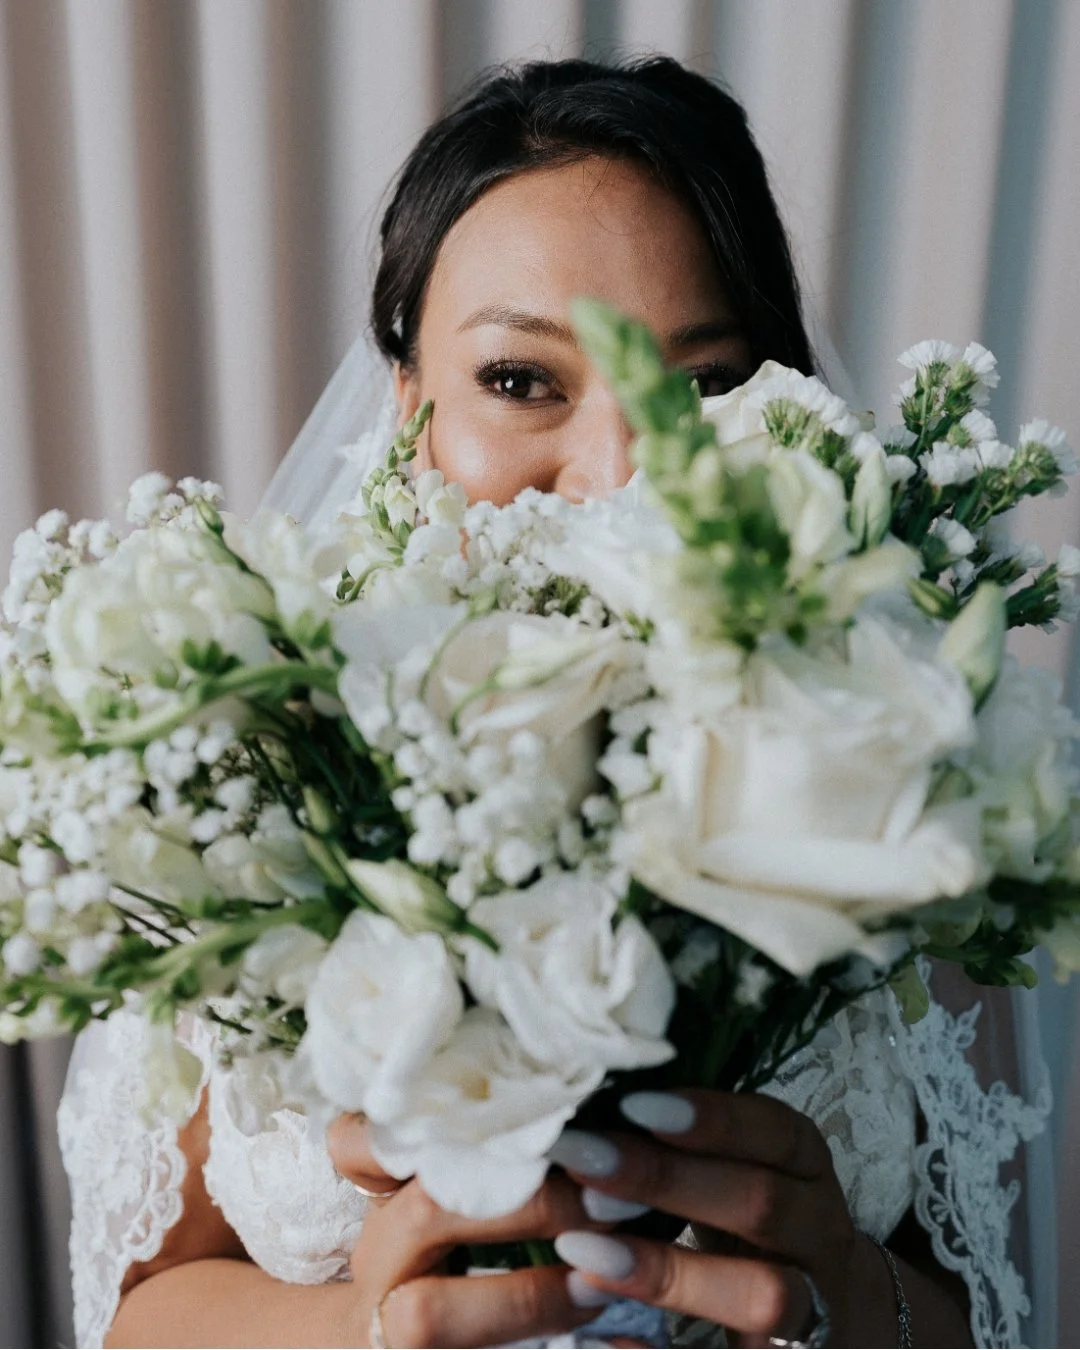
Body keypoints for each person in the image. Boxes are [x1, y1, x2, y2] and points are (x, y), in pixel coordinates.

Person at [59, 58, 1050, 1350]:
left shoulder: (891, 765)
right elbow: (140, 1306)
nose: (615, 476)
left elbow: (984, 1305)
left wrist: (841, 1303)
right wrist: (363, 1325)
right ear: (408, 403)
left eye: (698, 388)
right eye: (523, 379)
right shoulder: (255, 769)